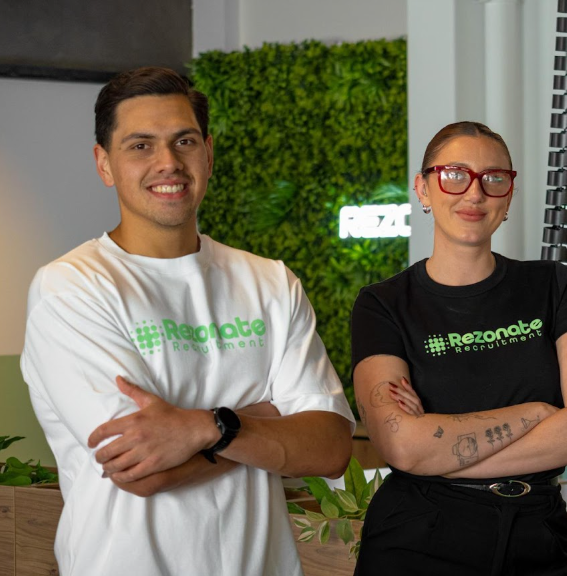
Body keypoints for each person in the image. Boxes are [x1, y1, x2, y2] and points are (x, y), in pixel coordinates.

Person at [20, 67, 355, 576]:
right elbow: (141, 471)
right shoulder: (71, 287)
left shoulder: (270, 282)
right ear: (103, 164)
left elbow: (330, 447)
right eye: (140, 146)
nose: (168, 162)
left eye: (184, 141)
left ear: (209, 153)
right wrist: (265, 419)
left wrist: (203, 427)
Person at [350, 121, 567, 576]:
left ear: (508, 196)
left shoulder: (553, 286)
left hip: (538, 536)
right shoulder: (383, 304)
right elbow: (402, 445)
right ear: (424, 188)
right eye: (455, 174)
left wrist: (439, 457)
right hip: (418, 539)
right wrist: (541, 413)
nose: (474, 193)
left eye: (494, 178)